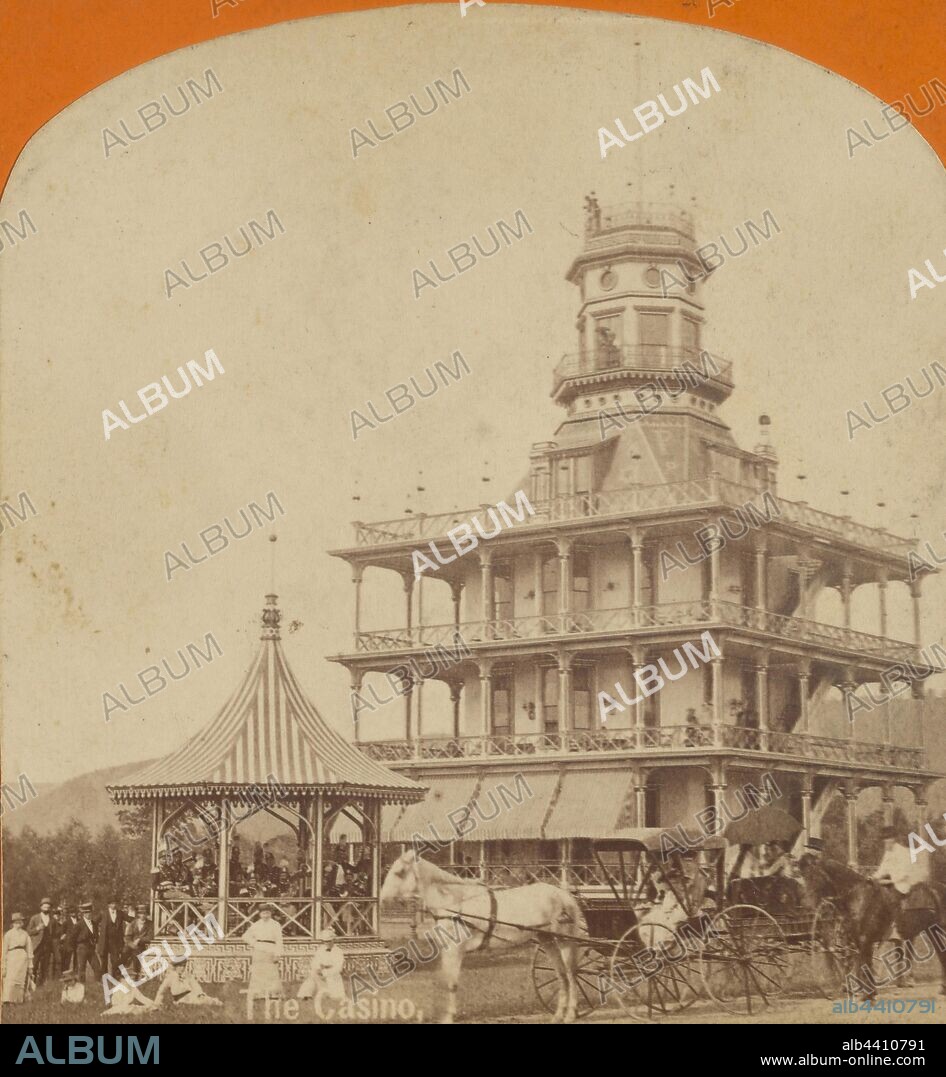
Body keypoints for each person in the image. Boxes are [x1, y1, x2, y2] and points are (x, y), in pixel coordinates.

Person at [243, 903, 284, 1017]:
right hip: (259, 950)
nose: (265, 915)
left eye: (268, 913)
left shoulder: (275, 925)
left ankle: (272, 994)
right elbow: (245, 936)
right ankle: (259, 994)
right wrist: (254, 943)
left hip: (271, 949)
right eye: (263, 913)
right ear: (260, 914)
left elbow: (279, 941)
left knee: (271, 972)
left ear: (271, 914)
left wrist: (278, 954)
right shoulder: (256, 925)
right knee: (258, 972)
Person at [298, 927, 346, 1011]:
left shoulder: (338, 951)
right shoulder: (320, 950)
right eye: (324, 941)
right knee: (312, 975)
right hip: (321, 973)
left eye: (328, 941)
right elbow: (315, 962)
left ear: (333, 940)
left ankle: (329, 994)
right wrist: (318, 969)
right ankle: (306, 995)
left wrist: (326, 973)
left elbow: (338, 968)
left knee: (335, 996)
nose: (326, 943)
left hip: (332, 976)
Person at [154, 955, 223, 1007]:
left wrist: (200, 993)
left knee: (205, 1000)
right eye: (180, 966)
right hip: (180, 999)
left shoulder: (187, 975)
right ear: (175, 967)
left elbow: (195, 986)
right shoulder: (170, 977)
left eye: (184, 966)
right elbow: (161, 990)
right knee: (193, 1003)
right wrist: (157, 1002)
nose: (182, 968)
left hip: (191, 995)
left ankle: (215, 1002)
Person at [2, 912, 33, 1003]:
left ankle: (18, 1000)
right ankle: (7, 1000)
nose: (18, 924)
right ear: (13, 923)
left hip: (22, 958)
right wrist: (3, 965)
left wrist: (30, 966)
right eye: (16, 922)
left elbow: (29, 950)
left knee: (20, 979)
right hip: (12, 957)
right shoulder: (8, 934)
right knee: (11, 979)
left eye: (20, 922)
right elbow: (4, 950)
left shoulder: (25, 934)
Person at [27, 897, 56, 986]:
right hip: (37, 946)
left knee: (45, 966)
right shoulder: (35, 918)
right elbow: (28, 931)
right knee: (34, 966)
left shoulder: (53, 919)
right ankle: (32, 985)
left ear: (50, 908)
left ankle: (42, 985)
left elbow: (54, 933)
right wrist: (37, 928)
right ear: (41, 907)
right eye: (44, 907)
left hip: (47, 947)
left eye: (48, 907)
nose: (46, 909)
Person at [97, 899, 125, 980]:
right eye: (112, 903)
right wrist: (97, 934)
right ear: (108, 904)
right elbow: (93, 922)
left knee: (115, 959)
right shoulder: (103, 913)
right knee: (104, 960)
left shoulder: (120, 913)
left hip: (115, 941)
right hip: (105, 941)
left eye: (115, 903)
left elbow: (130, 919)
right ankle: (104, 978)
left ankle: (115, 977)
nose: (114, 905)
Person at [74, 901, 99, 982]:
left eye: (90, 912)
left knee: (97, 966)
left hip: (91, 949)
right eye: (86, 913)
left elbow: (96, 936)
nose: (88, 914)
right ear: (83, 914)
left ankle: (98, 984)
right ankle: (81, 986)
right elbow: (72, 938)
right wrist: (77, 947)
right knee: (82, 968)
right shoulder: (79, 924)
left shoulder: (94, 923)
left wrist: (96, 941)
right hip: (82, 948)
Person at [123, 906, 152, 976]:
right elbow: (127, 937)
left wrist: (140, 939)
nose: (142, 915)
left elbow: (150, 936)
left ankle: (136, 972)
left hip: (143, 944)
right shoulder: (133, 923)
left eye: (144, 914)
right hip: (132, 944)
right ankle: (121, 970)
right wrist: (132, 944)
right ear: (138, 914)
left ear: (147, 915)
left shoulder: (150, 924)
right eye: (140, 913)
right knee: (125, 952)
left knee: (136, 953)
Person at [59, 905, 80, 975]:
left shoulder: (80, 921)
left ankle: (76, 973)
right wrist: (64, 937)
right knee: (67, 959)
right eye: (71, 912)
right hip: (68, 943)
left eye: (74, 912)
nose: (73, 914)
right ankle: (64, 974)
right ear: (69, 913)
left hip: (77, 943)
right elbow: (62, 933)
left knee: (77, 959)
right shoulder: (66, 922)